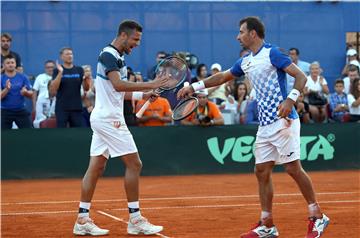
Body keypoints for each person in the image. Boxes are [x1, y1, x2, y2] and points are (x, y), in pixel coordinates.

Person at [178, 16, 329, 238]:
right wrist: (194, 86)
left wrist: (290, 99)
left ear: (253, 34)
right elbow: (222, 77)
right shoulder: (245, 61)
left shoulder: (273, 53)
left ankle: (317, 217)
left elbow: (300, 76)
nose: (237, 36)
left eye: (241, 32)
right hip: (265, 124)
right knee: (261, 171)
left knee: (292, 168)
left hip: (284, 120)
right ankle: (267, 224)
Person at [73, 19, 167, 236]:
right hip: (109, 120)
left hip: (105, 117)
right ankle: (135, 219)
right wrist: (151, 84)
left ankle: (82, 219)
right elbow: (118, 84)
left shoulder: (119, 58)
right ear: (123, 35)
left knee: (96, 167)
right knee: (135, 164)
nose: (137, 44)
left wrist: (143, 94)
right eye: (135, 39)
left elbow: (119, 91)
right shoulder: (108, 55)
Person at [49, 47, 91, 128]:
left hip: (77, 108)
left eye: (71, 54)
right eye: (67, 54)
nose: (70, 56)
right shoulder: (57, 70)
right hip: (62, 108)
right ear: (61, 56)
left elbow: (86, 88)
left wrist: (86, 79)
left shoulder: (79, 69)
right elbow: (54, 88)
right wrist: (61, 72)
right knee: (61, 134)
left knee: (78, 133)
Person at [1, 54, 33, 129]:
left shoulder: (23, 77)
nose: (10, 65)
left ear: (15, 64)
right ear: (3, 65)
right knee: (3, 135)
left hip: (21, 110)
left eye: (12, 62)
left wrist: (26, 93)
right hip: (5, 111)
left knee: (28, 134)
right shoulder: (1, 78)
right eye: (8, 63)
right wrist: (7, 89)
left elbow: (31, 94)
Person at [32, 60, 56, 128]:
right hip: (42, 103)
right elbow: (34, 92)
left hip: (55, 101)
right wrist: (34, 107)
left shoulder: (58, 77)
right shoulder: (40, 77)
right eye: (48, 67)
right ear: (45, 68)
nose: (50, 69)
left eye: (52, 67)